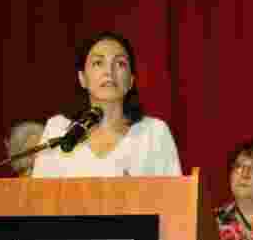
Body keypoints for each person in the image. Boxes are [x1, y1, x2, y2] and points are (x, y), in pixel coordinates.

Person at [32, 30, 181, 177]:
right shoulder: (58, 129)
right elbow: (39, 198)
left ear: (131, 81)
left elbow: (176, 198)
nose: (109, 71)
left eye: (120, 64)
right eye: (98, 63)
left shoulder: (154, 133)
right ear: (82, 78)